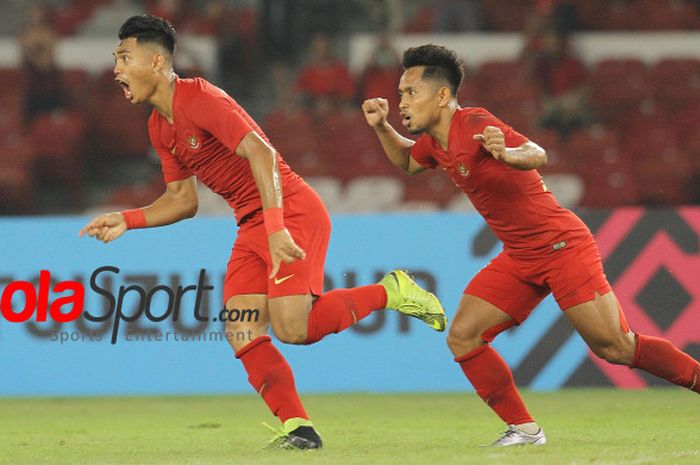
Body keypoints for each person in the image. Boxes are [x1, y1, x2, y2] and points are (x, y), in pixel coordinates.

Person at [79, 16, 447, 450]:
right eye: (116, 59)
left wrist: (275, 229)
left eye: (124, 57)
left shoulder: (199, 98)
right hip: (253, 223)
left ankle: (392, 290)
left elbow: (262, 154)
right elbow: (182, 200)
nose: (117, 68)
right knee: (241, 328)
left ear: (156, 60)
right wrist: (129, 219)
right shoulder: (159, 127)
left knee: (294, 329)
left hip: (289, 211)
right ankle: (300, 430)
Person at [362, 44, 700, 447]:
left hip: (560, 246)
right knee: (464, 336)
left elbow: (536, 153)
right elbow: (407, 162)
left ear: (441, 96)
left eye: (410, 93)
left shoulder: (473, 122)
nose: (402, 102)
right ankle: (524, 430)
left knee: (615, 346)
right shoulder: (436, 142)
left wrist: (507, 153)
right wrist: (382, 126)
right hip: (520, 256)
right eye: (400, 94)